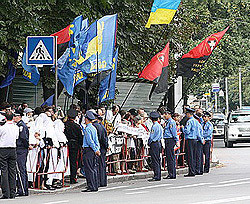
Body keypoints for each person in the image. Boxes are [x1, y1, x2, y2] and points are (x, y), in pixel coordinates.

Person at [0, 112, 19, 199]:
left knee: (4, 170)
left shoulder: (2, 128)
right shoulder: (16, 127)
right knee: (12, 171)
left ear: (5, 118)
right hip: (13, 148)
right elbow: (16, 137)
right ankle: (12, 192)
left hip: (3, 148)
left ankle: (6, 193)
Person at [82, 111, 100, 192]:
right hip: (93, 150)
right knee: (93, 168)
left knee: (89, 169)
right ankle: (94, 185)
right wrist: (97, 149)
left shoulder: (87, 129)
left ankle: (91, 186)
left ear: (86, 119)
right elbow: (96, 140)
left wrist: (95, 149)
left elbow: (90, 141)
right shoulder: (93, 128)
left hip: (88, 150)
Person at [64, 109, 83, 184]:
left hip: (67, 144)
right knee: (74, 162)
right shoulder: (77, 126)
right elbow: (80, 137)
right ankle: (73, 178)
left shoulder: (65, 124)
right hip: (75, 145)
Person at [13, 110, 29, 196]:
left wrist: (26, 146)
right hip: (21, 149)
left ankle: (22, 189)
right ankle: (23, 188)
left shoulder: (21, 126)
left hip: (21, 149)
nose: (13, 118)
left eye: (15, 116)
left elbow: (23, 138)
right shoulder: (19, 125)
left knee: (21, 169)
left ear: (18, 116)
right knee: (21, 169)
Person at [161, 108, 179, 179]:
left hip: (170, 140)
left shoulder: (171, 122)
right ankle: (171, 173)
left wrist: (176, 140)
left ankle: (172, 173)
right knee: (169, 157)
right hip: (168, 140)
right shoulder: (167, 122)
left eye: (166, 114)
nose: (164, 115)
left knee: (170, 157)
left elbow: (174, 132)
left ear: (169, 115)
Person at [92, 112, 108, 187]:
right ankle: (103, 181)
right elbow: (105, 139)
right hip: (102, 147)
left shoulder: (95, 126)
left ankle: (98, 182)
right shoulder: (102, 126)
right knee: (102, 165)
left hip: (99, 147)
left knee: (98, 165)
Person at [148, 111, 163, 182]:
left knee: (155, 160)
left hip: (154, 143)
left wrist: (149, 142)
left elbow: (151, 137)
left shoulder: (154, 126)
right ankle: (158, 174)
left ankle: (157, 175)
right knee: (158, 159)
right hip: (158, 143)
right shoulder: (159, 126)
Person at [183, 108, 198, 177]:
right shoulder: (195, 121)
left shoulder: (189, 121)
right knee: (194, 155)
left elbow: (187, 131)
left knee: (190, 156)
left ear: (189, 114)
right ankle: (194, 170)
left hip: (190, 139)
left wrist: (183, 128)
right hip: (195, 139)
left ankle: (191, 171)